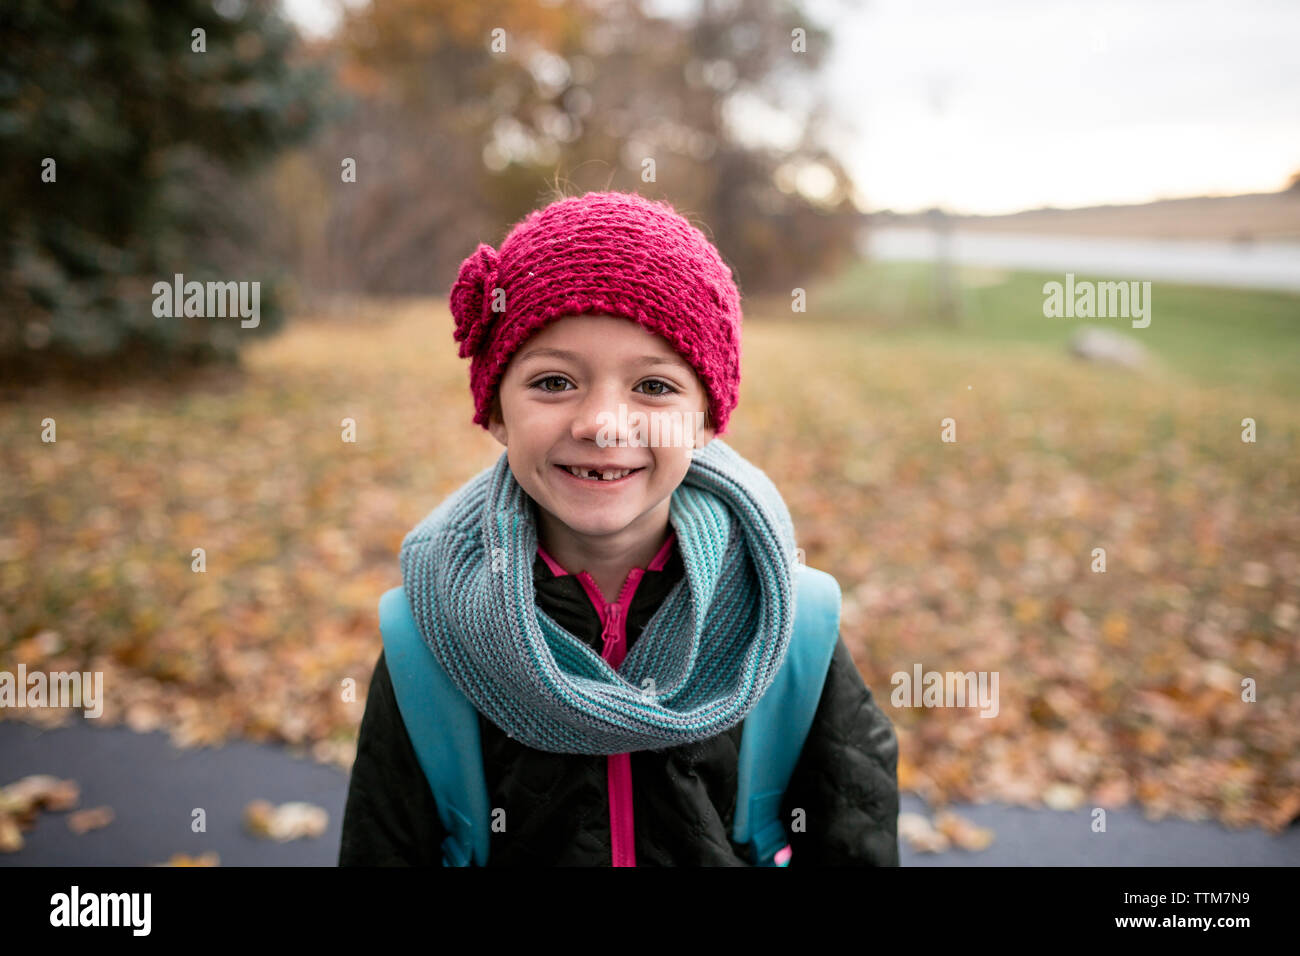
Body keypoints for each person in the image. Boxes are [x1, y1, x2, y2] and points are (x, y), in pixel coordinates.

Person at [338, 190, 899, 866]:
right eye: (553, 382)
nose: (603, 423)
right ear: (495, 412)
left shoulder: (786, 625)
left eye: (654, 388)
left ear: (707, 420)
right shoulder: (431, 636)